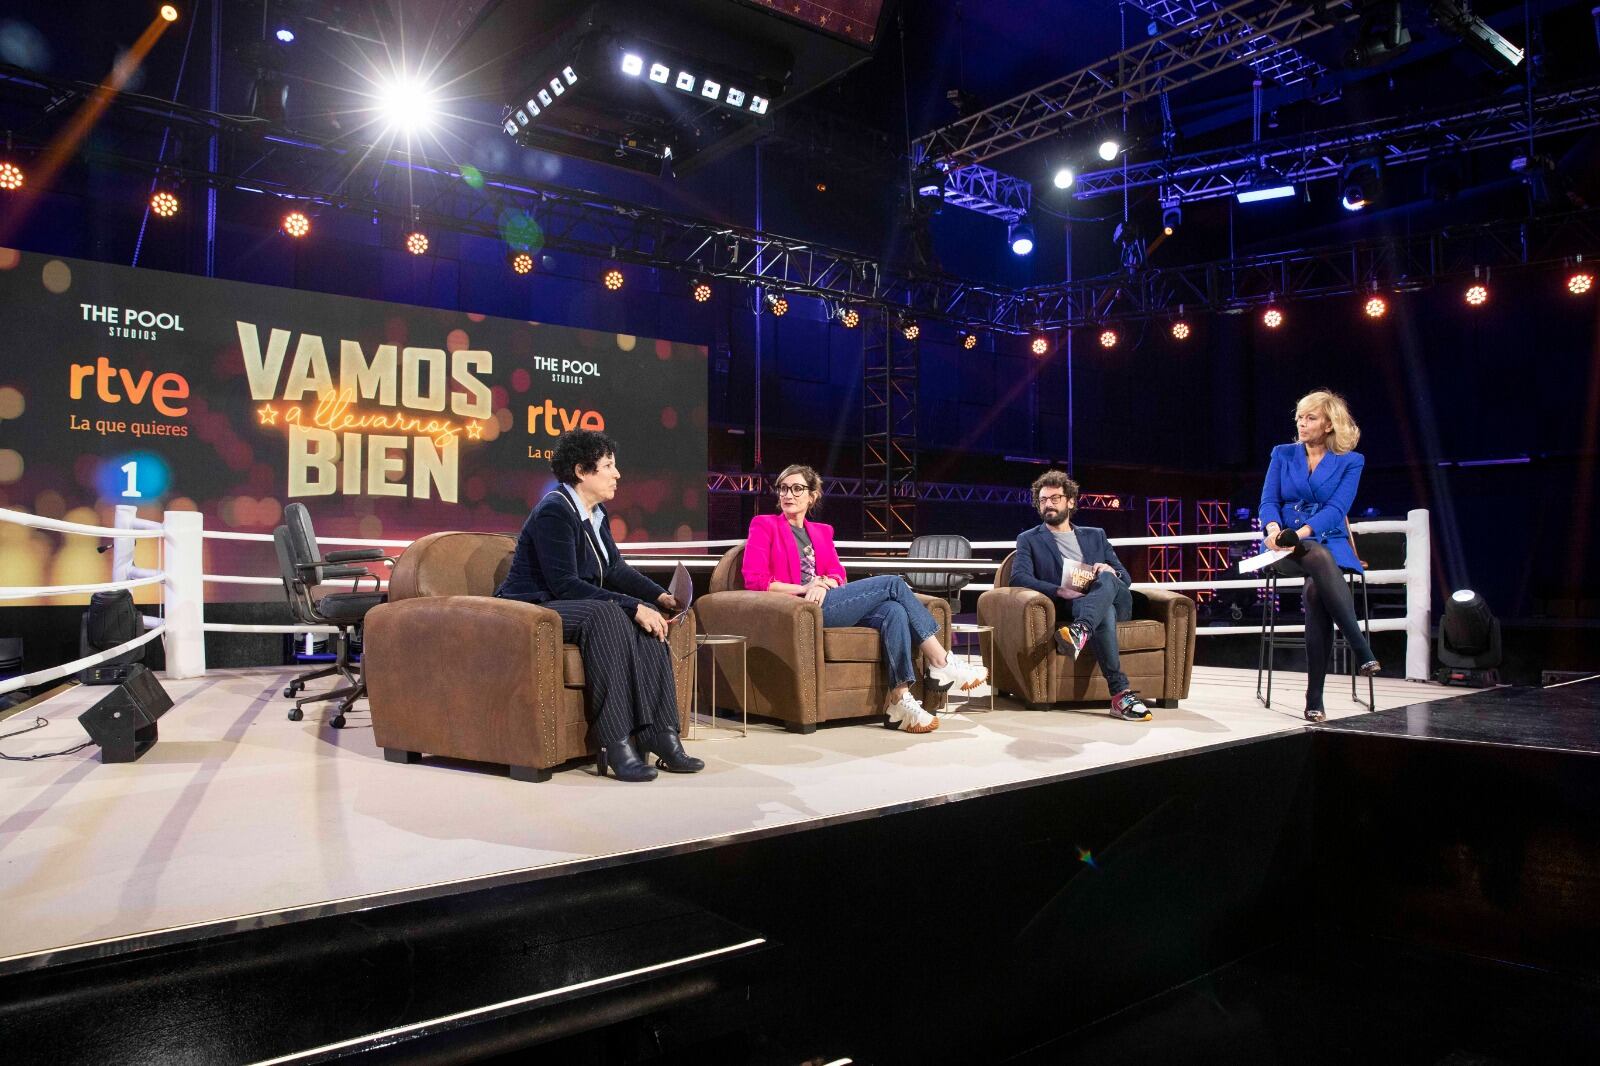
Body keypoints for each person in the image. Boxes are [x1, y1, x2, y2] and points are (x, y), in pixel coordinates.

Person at [496, 429, 702, 781]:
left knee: (646, 616)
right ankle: (615, 742)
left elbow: (614, 569)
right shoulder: (554, 511)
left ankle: (662, 733)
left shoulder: (596, 513)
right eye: (608, 466)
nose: (617, 474)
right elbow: (564, 584)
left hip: (569, 603)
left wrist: (657, 598)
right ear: (581, 470)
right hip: (535, 607)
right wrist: (631, 607)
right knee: (612, 613)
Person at [741, 464, 986, 734]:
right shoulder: (764, 525)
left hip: (826, 599)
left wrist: (825, 582)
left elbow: (837, 573)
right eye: (784, 488)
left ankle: (900, 701)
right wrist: (805, 587)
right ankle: (941, 662)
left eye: (797, 488)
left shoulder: (822, 532)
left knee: (894, 610)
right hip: (798, 608)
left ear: (812, 496)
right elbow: (755, 581)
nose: (789, 494)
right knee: (893, 583)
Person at [1258, 389, 1380, 722]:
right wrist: (1272, 530)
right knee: (1316, 561)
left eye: (1310, 417)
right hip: (1279, 544)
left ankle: (1315, 698)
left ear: (1329, 424)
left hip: (1327, 541)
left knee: (1316, 586)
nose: (1302, 423)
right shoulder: (1282, 454)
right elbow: (1268, 501)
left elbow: (1337, 509)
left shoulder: (1351, 461)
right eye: (1299, 417)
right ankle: (1360, 647)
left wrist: (1300, 534)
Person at [1008, 471, 1152, 722]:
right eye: (1042, 500)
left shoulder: (1096, 534)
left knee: (1106, 577)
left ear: (1071, 501)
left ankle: (1080, 631)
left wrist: (1109, 571)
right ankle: (1120, 694)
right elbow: (1018, 578)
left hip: (1116, 602)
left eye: (1054, 498)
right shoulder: (1029, 539)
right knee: (1101, 612)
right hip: (1075, 604)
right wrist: (1058, 590)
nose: (1048, 504)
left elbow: (1124, 578)